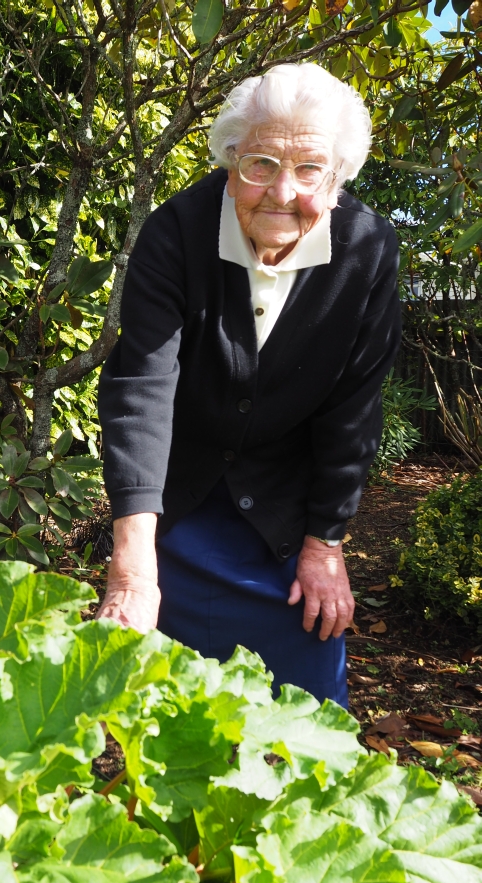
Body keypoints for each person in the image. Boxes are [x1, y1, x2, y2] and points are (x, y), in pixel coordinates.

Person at [96, 63, 401, 707]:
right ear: (231, 161)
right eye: (260, 163)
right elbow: (141, 385)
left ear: (337, 177)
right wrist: (133, 564)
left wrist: (326, 544)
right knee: (167, 717)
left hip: (287, 517)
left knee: (306, 713)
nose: (282, 192)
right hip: (178, 504)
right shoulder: (176, 230)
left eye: (310, 170)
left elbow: (353, 408)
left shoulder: (368, 249)